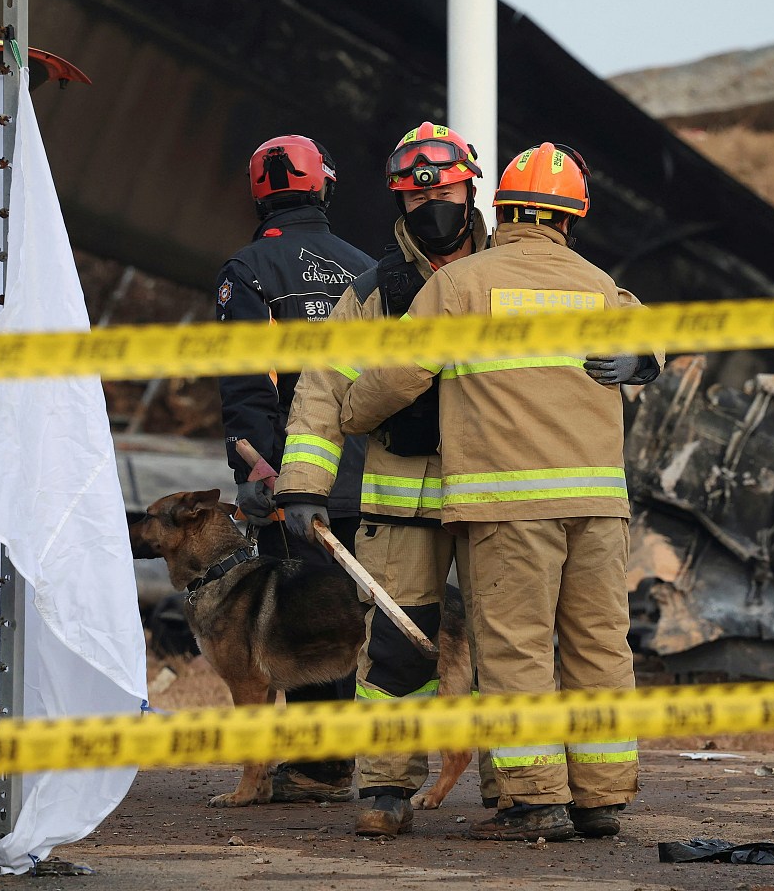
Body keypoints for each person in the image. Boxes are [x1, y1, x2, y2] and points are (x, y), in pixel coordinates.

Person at [339, 142, 662, 841]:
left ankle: (537, 802)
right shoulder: (599, 285)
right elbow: (647, 338)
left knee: (516, 652)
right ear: (572, 219)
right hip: (600, 507)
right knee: (600, 647)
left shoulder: (462, 286)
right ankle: (601, 798)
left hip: (509, 505)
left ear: (499, 207)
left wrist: (351, 414)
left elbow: (398, 376)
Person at [274, 122, 498, 837]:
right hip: (402, 497)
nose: (433, 209)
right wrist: (303, 484)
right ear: (400, 205)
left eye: (447, 192)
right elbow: (319, 391)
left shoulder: (513, 279)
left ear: (472, 190)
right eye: (415, 198)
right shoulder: (374, 293)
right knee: (395, 650)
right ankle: (386, 787)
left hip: (501, 494)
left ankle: (520, 790)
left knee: (507, 644)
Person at [214, 133, 374, 802]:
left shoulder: (248, 271)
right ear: (324, 185)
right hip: (366, 473)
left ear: (260, 190)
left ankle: (319, 767)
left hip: (288, 474)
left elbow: (249, 383)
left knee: (300, 616)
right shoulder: (367, 269)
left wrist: (255, 468)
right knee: (347, 614)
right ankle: (335, 763)